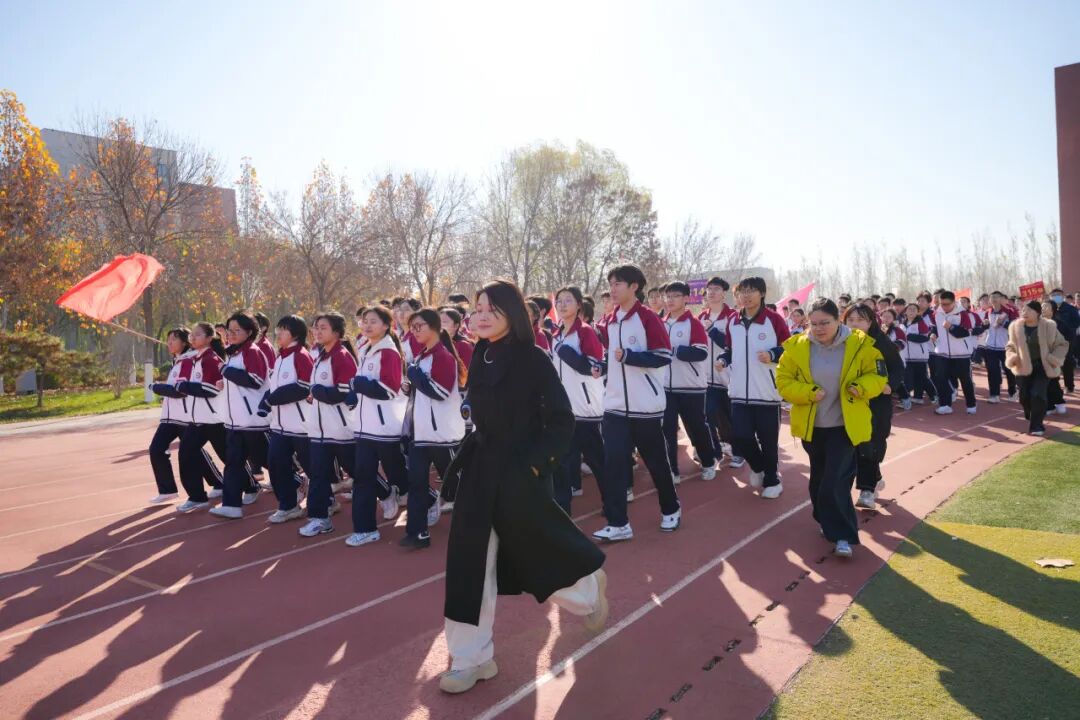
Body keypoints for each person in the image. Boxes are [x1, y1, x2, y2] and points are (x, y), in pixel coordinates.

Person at [438, 278, 608, 694]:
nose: (480, 316)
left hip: (518, 474)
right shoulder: (480, 355)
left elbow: (561, 421)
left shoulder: (533, 359)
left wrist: (534, 467)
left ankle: (589, 590)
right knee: (469, 564)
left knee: (536, 554)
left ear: (511, 314)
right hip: (480, 472)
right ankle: (471, 659)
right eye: (477, 309)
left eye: (491, 309)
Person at [776, 298, 886, 558]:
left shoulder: (860, 345)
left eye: (825, 322)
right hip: (813, 426)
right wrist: (807, 392)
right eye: (813, 324)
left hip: (845, 426)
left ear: (838, 320)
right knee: (819, 480)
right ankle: (824, 517)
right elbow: (783, 381)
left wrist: (861, 387)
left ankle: (843, 536)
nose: (819, 328)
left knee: (834, 481)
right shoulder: (796, 347)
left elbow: (878, 375)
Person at [593, 264, 680, 542]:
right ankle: (618, 523)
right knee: (614, 464)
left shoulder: (647, 318)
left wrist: (630, 356)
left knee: (656, 463)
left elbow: (664, 356)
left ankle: (671, 508)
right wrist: (601, 367)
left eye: (618, 283)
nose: (612, 289)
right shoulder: (609, 321)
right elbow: (611, 358)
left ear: (634, 287)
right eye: (610, 283)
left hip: (645, 407)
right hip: (615, 406)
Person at [400, 308, 466, 549]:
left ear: (435, 327)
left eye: (419, 326)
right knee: (416, 483)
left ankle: (480, 522)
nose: (414, 331)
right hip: (421, 433)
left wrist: (414, 375)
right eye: (412, 327)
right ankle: (417, 533)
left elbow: (440, 392)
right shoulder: (422, 357)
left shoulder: (443, 356)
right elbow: (422, 391)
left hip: (442, 434)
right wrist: (410, 386)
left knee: (455, 484)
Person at [720, 276, 790, 499]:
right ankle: (759, 467)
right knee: (740, 436)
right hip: (739, 391)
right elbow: (730, 350)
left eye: (751, 291)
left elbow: (790, 349)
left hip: (767, 392)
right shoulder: (733, 321)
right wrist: (723, 359)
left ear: (762, 293)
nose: (746, 295)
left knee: (769, 441)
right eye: (742, 291)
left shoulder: (774, 320)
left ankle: (772, 480)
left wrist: (772, 354)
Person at [346, 305, 409, 547]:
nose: (367, 325)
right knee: (362, 477)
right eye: (365, 321)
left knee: (397, 474)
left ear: (386, 325)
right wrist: (354, 394)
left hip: (385, 428)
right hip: (364, 427)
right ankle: (365, 529)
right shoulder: (365, 348)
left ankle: (428, 498)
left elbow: (389, 390)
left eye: (373, 321)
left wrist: (359, 383)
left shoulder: (389, 352)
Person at [147, 327, 223, 504]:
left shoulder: (189, 361)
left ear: (184, 342)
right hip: (172, 417)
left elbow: (180, 390)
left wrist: (157, 387)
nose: (169, 343)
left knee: (193, 453)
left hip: (185, 416)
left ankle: (218, 484)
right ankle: (169, 490)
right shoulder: (179, 361)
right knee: (160, 449)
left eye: (174, 339)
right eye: (168, 339)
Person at [299, 312, 357, 536]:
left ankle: (389, 492)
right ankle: (319, 518)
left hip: (341, 429)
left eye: (323, 327)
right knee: (318, 475)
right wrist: (314, 396)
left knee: (358, 471)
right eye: (315, 327)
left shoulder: (342, 356)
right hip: (319, 430)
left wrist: (316, 391)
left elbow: (343, 393)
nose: (317, 331)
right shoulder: (320, 356)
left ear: (337, 332)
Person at [208, 311, 270, 520]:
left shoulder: (252, 351)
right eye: (230, 330)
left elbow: (255, 380)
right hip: (234, 421)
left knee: (268, 460)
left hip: (253, 420)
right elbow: (237, 381)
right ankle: (231, 504)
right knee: (233, 463)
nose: (231, 334)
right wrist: (224, 382)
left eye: (237, 330)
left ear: (249, 332)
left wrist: (226, 372)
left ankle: (297, 482)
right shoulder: (233, 353)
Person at [551, 286, 607, 513]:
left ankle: (613, 504)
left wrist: (566, 352)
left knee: (597, 461)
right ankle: (563, 511)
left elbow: (593, 367)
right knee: (562, 463)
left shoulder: (585, 332)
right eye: (559, 301)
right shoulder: (556, 334)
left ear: (578, 305)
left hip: (586, 409)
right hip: (564, 410)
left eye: (568, 300)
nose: (562, 305)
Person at [844, 304, 902, 509]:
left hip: (877, 401)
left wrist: (889, 385)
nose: (855, 324)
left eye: (860, 320)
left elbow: (897, 368)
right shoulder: (841, 342)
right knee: (855, 446)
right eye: (850, 320)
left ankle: (868, 488)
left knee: (873, 442)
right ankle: (871, 482)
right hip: (851, 401)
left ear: (870, 322)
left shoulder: (881, 343)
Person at [257, 315, 314, 524]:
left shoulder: (301, 355)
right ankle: (288, 506)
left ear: (295, 334)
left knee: (312, 468)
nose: (278, 333)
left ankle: (327, 501)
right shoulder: (280, 357)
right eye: (278, 329)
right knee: (276, 464)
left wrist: (271, 399)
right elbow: (274, 388)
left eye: (283, 330)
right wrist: (267, 401)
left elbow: (304, 388)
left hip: (301, 425)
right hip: (279, 425)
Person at [661, 281, 718, 483]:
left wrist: (675, 351)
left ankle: (708, 462)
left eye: (675, 296)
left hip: (691, 387)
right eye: (668, 296)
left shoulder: (693, 323)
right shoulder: (661, 323)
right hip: (666, 387)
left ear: (686, 298)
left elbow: (701, 353)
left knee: (697, 427)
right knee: (667, 429)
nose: (670, 300)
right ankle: (672, 470)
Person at [175, 322, 231, 513]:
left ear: (209, 338)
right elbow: (184, 384)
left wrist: (186, 386)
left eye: (198, 334)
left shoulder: (211, 359)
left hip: (215, 419)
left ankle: (250, 486)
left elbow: (211, 390)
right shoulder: (194, 359)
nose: (193, 337)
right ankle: (197, 496)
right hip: (198, 419)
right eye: (192, 334)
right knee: (186, 453)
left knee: (229, 457)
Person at [1005, 301, 1070, 435]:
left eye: (1029, 310)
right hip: (1023, 366)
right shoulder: (1015, 327)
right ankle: (1031, 413)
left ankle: (1037, 426)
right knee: (1024, 396)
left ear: (1038, 312)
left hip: (1042, 366)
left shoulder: (1049, 326)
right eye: (1023, 310)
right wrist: (1012, 356)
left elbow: (1062, 344)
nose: (1025, 312)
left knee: (1038, 394)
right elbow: (1010, 346)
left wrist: (1053, 358)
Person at [699, 277, 743, 468]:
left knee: (731, 417)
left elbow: (733, 344)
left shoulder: (733, 317)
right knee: (708, 415)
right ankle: (715, 452)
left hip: (729, 377)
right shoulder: (701, 317)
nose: (712, 292)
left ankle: (739, 451)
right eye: (709, 289)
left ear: (724, 293)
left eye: (716, 289)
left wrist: (712, 330)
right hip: (707, 378)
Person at [932, 290, 979, 415]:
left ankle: (971, 404)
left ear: (954, 302)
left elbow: (966, 332)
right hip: (942, 352)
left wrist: (951, 327)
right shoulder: (937, 313)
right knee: (940, 378)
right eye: (942, 304)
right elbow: (935, 327)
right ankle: (945, 404)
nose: (944, 307)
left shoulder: (963, 314)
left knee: (965, 379)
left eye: (947, 304)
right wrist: (933, 334)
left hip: (961, 353)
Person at [982, 291, 1018, 403]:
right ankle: (994, 395)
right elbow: (985, 327)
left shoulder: (1010, 311)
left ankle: (1012, 392)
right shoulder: (988, 312)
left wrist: (1002, 323)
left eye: (996, 297)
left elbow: (1015, 327)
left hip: (1005, 346)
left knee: (1009, 371)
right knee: (992, 371)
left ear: (1001, 299)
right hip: (990, 346)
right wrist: (984, 324)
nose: (994, 299)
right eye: (992, 297)